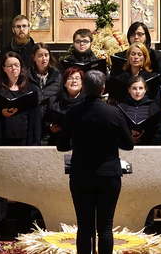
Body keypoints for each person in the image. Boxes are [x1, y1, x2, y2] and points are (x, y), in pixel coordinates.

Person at [57, 70, 133, 254]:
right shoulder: (114, 113)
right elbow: (128, 145)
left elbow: (61, 146)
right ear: (103, 88)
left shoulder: (73, 112)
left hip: (81, 174)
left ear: (84, 87)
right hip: (108, 175)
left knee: (84, 227)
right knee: (105, 227)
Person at [0, 51, 41, 240]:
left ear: (22, 68)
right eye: (10, 65)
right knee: (1, 185)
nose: (13, 69)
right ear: (3, 68)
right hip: (2, 141)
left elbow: (36, 118)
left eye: (16, 65)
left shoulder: (30, 89)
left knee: (24, 183)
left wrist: (34, 145)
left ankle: (25, 225)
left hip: (24, 142)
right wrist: (1, 112)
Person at [114, 21, 161, 86]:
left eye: (140, 34)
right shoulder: (119, 56)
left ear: (146, 36)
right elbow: (115, 81)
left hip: (151, 93)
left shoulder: (157, 56)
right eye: (133, 34)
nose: (136, 37)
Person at [28, 43, 62, 144]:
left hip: (51, 124)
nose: (44, 58)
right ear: (34, 58)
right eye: (40, 55)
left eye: (46, 55)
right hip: (33, 123)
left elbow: (60, 99)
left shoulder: (57, 76)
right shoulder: (26, 75)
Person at [117, 75, 161, 145]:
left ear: (145, 90)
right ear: (129, 90)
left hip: (149, 145)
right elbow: (118, 129)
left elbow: (159, 132)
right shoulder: (120, 107)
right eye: (134, 88)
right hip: (126, 146)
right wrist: (129, 136)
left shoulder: (154, 107)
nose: (137, 91)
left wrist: (144, 136)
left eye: (141, 88)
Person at [46, 67, 85, 145]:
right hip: (59, 142)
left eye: (77, 78)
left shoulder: (88, 101)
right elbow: (47, 120)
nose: (74, 81)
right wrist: (50, 126)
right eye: (70, 78)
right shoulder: (54, 100)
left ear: (82, 83)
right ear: (64, 83)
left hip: (82, 143)